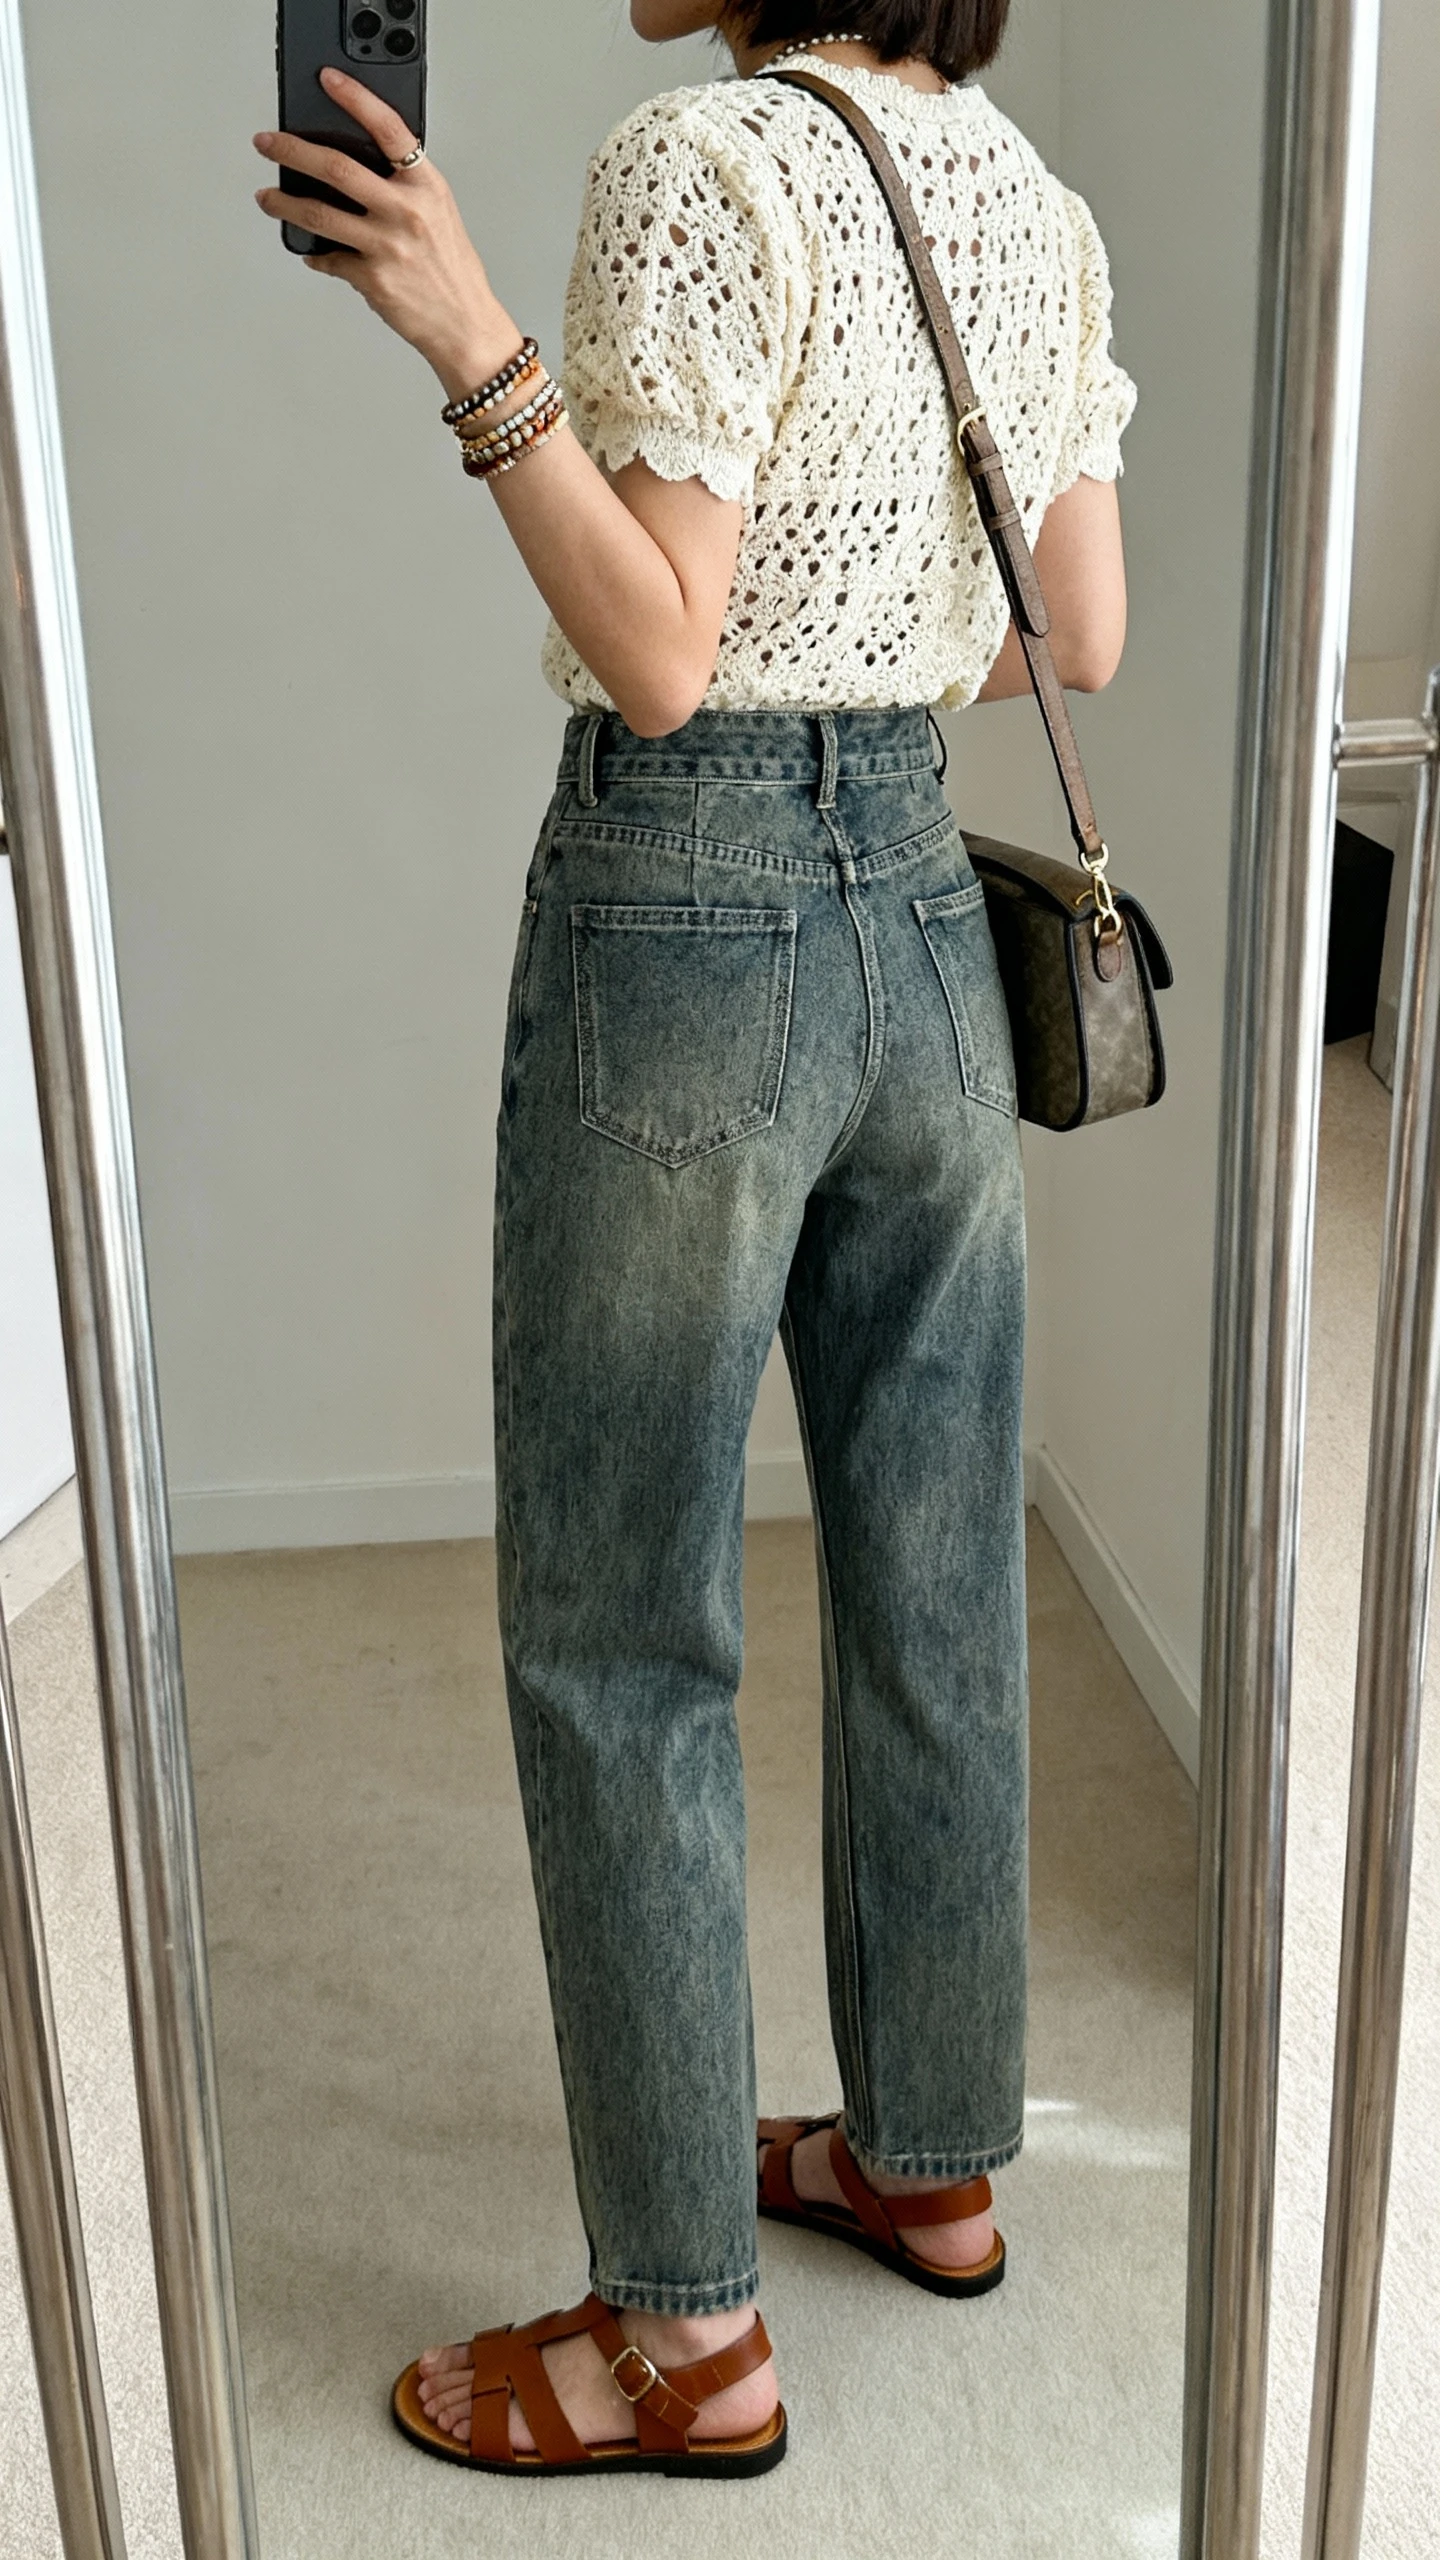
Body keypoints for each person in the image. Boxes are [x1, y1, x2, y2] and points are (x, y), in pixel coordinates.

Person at [253, 0, 1135, 2480]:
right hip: (933, 931)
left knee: (625, 1622)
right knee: (936, 1569)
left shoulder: (698, 159)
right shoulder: (1024, 202)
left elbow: (656, 655)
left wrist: (465, 340)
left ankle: (681, 2337)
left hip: (694, 923)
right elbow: (1080, 626)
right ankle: (932, 2154)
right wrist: (875, 655)